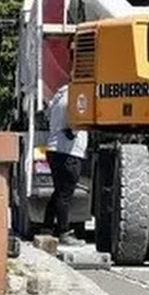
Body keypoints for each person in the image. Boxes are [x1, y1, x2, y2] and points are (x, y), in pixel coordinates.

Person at [45, 84, 88, 247]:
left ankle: (47, 227)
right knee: (65, 194)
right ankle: (64, 232)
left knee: (58, 191)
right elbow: (75, 122)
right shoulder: (77, 95)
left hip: (54, 148)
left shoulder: (59, 95)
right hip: (68, 151)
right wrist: (75, 131)